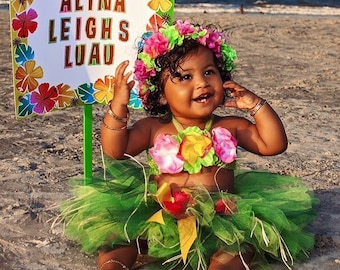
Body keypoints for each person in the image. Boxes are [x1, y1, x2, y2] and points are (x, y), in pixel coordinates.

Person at [60, 20, 318, 270]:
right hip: (162, 211)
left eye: (209, 72)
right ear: (160, 93)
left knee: (237, 244)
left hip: (222, 215)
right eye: (185, 77)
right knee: (121, 233)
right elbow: (116, 150)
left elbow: (273, 145)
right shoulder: (155, 127)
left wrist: (257, 106)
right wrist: (118, 107)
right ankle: (114, 265)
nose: (202, 82)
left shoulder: (229, 126)